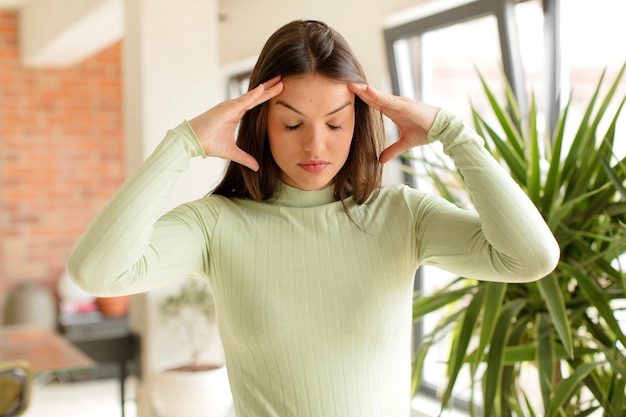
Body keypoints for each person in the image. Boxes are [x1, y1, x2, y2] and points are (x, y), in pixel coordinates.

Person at [67, 20, 559, 417]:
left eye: (336, 123)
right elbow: (98, 272)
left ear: (358, 122)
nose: (315, 146)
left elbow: (531, 258)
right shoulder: (216, 225)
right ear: (261, 121)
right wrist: (181, 145)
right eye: (292, 123)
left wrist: (455, 134)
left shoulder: (402, 215)